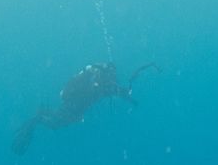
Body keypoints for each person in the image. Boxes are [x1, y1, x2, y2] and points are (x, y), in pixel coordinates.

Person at [11, 62, 157, 154]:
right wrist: (129, 97)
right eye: (111, 76)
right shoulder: (97, 86)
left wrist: (129, 97)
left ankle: (39, 116)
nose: (112, 79)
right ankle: (35, 120)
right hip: (74, 109)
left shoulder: (97, 84)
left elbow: (116, 91)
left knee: (58, 118)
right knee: (56, 123)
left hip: (73, 107)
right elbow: (113, 91)